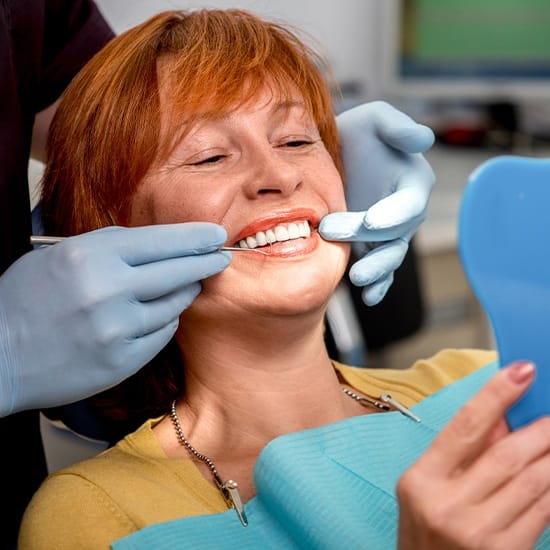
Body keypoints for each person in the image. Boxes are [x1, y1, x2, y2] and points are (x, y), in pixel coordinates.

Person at [17, 9, 550, 549]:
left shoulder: (498, 381)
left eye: (297, 140)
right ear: (113, 233)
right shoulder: (95, 515)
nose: (278, 175)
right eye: (209, 156)